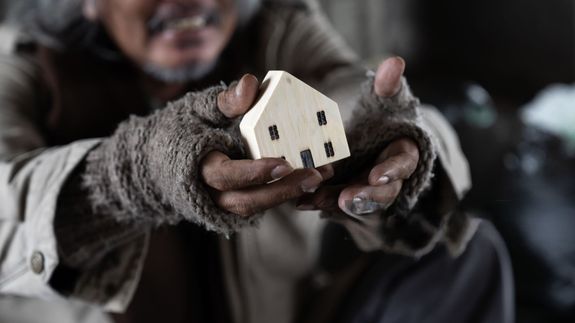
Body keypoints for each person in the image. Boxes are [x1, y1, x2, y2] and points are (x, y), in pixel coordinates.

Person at [0, 0, 513, 322]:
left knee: (465, 252)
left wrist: (390, 138)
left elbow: (352, 86)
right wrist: (131, 176)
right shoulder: (26, 73)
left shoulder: (276, 30)